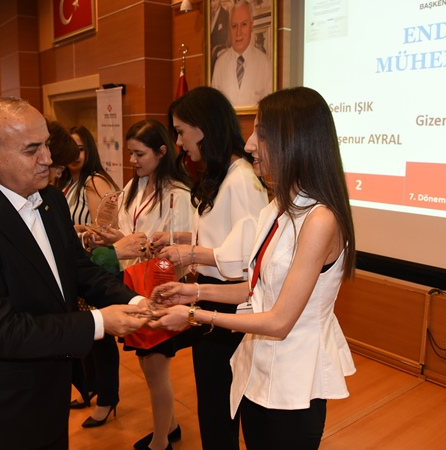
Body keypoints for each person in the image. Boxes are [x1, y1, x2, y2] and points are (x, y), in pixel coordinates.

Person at [0, 97, 150, 450]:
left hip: (48, 391)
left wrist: (137, 302)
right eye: (32, 150)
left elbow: (78, 269)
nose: (47, 158)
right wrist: (100, 322)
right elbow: (3, 331)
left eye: (46, 144)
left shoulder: (50, 200)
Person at [153, 87, 357, 450]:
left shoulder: (320, 220)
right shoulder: (277, 207)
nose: (248, 145)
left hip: (294, 383)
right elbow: (256, 288)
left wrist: (195, 315)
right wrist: (194, 292)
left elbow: (279, 321)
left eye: (260, 134)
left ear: (293, 141)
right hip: (257, 370)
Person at [151, 86, 268, 450]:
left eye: (181, 131)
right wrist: (182, 240)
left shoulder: (242, 178)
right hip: (210, 295)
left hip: (229, 302)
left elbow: (246, 255)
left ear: (203, 127)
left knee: (219, 409)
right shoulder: (223, 174)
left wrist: (191, 254)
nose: (179, 142)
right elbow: (223, 235)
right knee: (212, 404)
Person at [92, 119, 194, 450]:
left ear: (162, 152)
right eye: (130, 153)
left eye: (139, 154)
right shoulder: (132, 188)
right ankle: (171, 427)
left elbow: (184, 251)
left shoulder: (178, 194)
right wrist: (117, 240)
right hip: (133, 285)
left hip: (160, 290)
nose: (132, 160)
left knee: (155, 368)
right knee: (147, 363)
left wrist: (149, 245)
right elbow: (129, 234)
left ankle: (161, 442)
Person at [52, 124, 127, 428]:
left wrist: (81, 235)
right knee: (86, 334)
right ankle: (91, 387)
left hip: (97, 266)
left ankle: (108, 398)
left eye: (80, 148)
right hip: (79, 266)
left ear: (90, 150)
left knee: (101, 336)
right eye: (70, 149)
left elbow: (106, 230)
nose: (75, 155)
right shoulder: (67, 182)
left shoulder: (94, 181)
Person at [211, 0, 272, 108]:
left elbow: (270, 109)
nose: (238, 32)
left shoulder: (265, 63)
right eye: (234, 26)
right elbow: (215, 108)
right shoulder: (220, 64)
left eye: (244, 24)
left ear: (251, 26)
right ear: (229, 29)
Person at [210, 0, 230, 72]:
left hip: (218, 49)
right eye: (211, 2)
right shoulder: (209, 16)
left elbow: (225, 37)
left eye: (214, 1)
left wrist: (215, 48)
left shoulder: (225, 14)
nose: (212, 4)